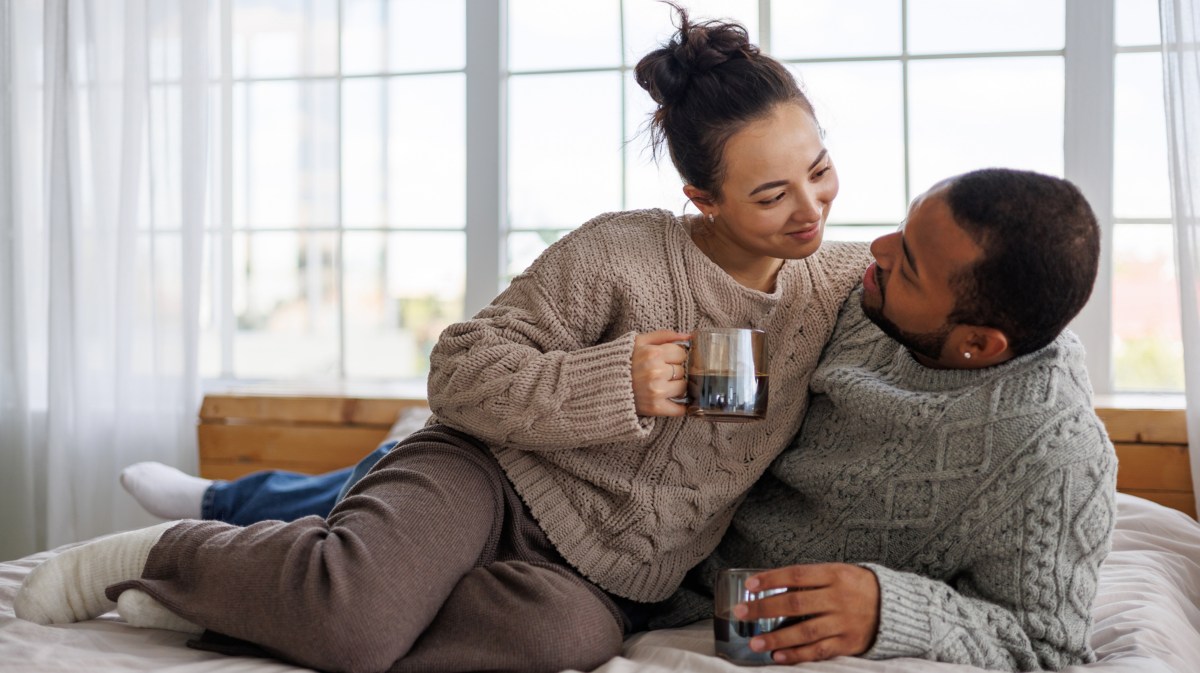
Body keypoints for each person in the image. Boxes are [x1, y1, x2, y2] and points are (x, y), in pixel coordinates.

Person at [14, 7, 872, 673]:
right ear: (702, 194)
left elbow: (960, 252)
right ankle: (169, 552)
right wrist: (615, 382)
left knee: (547, 646)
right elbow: (456, 371)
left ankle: (233, 602)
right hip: (485, 476)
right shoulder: (621, 251)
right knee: (354, 623)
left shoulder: (837, 282)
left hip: (604, 577)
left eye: (820, 169)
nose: (811, 209)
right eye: (771, 194)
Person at [652, 168, 1117, 672]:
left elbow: (1049, 648)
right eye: (903, 225)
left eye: (909, 266)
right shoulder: (856, 290)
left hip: (705, 602)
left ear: (976, 344)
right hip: (647, 535)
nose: (877, 248)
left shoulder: (1056, 460)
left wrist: (892, 609)